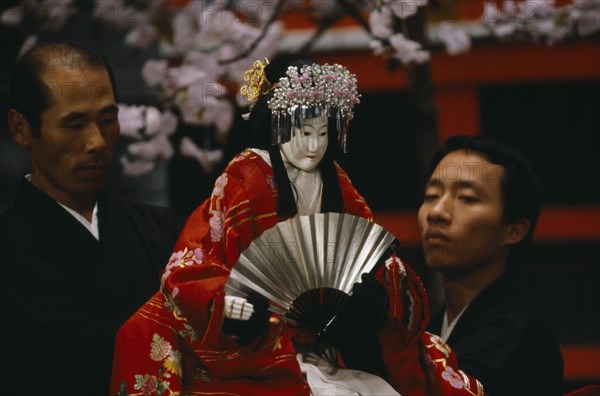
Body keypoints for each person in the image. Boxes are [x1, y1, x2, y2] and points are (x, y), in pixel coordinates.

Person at [111, 55, 483, 396]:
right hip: (254, 345)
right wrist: (239, 306)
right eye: (303, 131)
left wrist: (375, 294)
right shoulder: (247, 177)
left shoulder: (336, 181)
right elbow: (200, 259)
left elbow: (372, 252)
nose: (314, 145)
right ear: (277, 126)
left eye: (323, 133)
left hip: (323, 342)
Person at [0, 42, 183, 395]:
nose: (98, 142)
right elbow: (66, 354)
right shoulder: (10, 249)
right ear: (21, 128)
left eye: (107, 120)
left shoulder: (162, 228)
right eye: (74, 124)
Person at [418, 135, 564, 395]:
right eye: (432, 195)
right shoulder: (431, 324)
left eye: (467, 198)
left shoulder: (521, 337)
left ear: (514, 231)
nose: (436, 212)